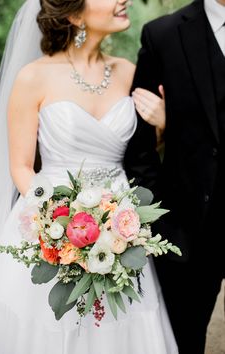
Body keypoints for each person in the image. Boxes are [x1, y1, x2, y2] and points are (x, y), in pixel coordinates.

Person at [0, 0, 178, 353]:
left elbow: (143, 151)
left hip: (121, 227)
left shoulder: (128, 72)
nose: (124, 0)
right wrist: (57, 224)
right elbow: (21, 166)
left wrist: (165, 124)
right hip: (51, 222)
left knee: (121, 324)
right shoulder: (34, 76)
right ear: (75, 14)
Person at [125, 0, 225, 353]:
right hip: (187, 234)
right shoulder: (163, 35)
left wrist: (175, 124)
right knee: (184, 342)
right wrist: (160, 224)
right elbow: (138, 150)